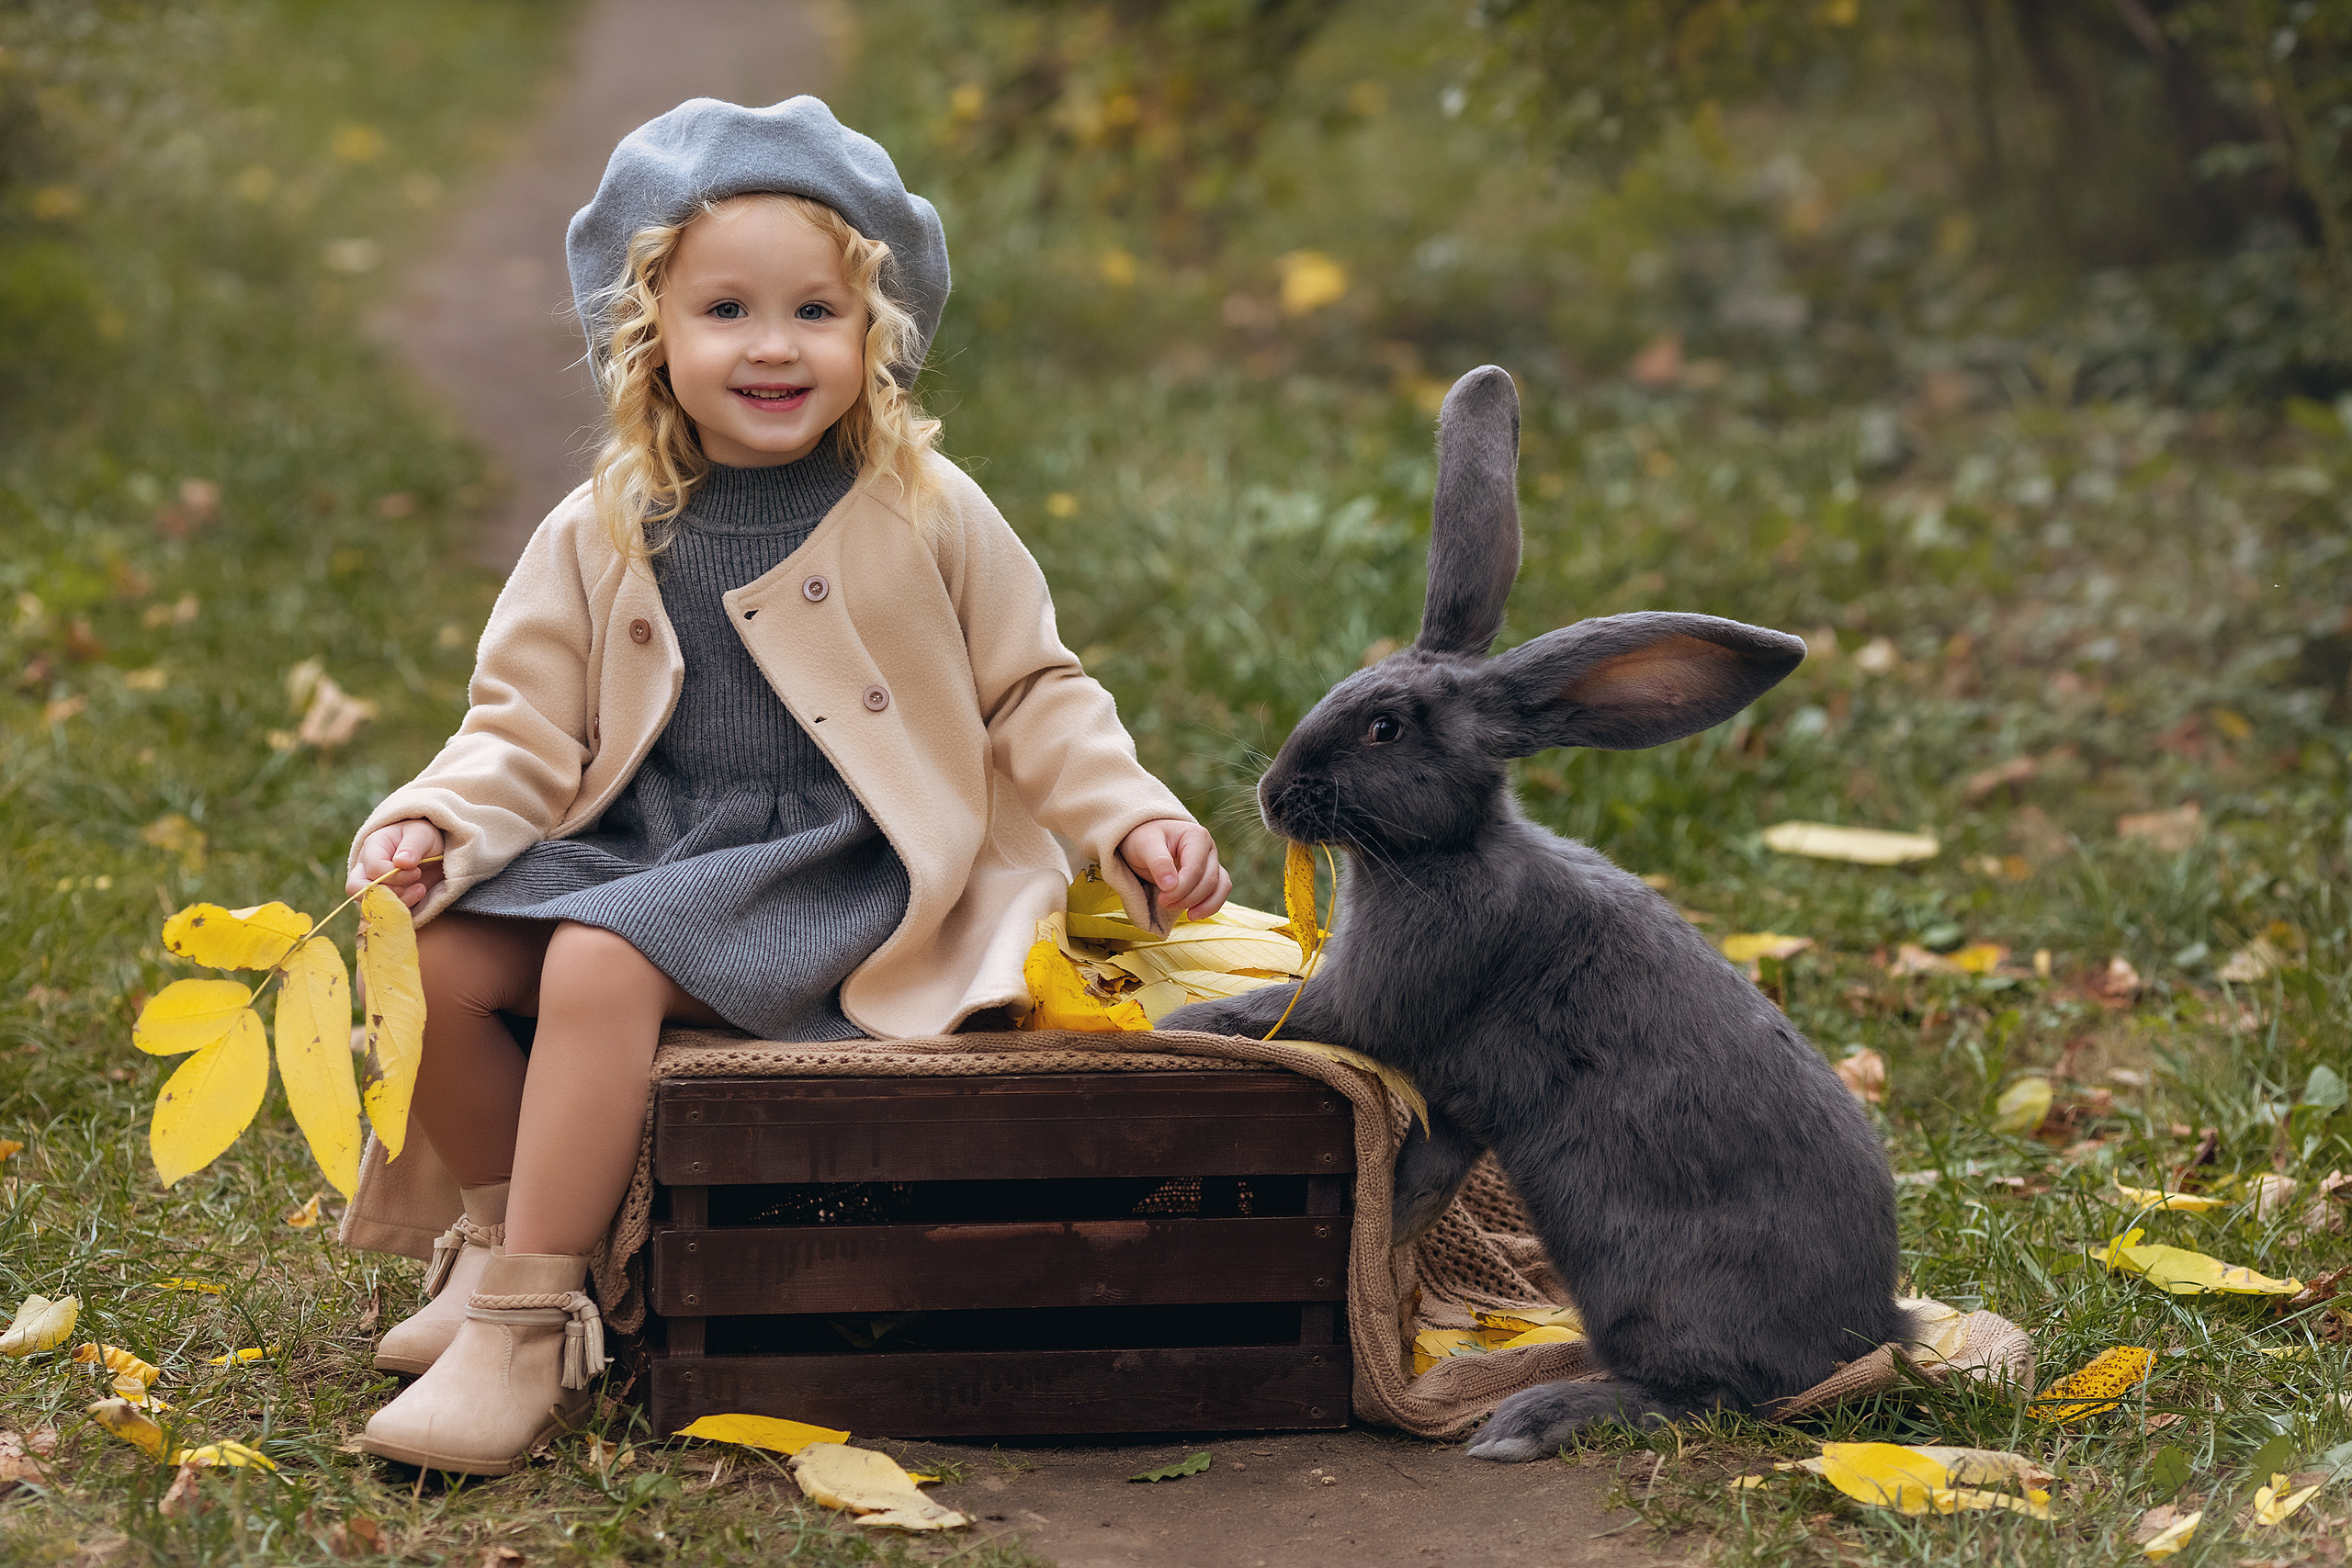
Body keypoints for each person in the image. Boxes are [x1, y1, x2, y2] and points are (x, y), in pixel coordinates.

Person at [342, 96, 1228, 1475]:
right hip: (657, 845)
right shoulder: (603, 526)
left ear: (875, 333)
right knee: (437, 958)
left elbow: (1033, 692)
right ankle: (497, 1233)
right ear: (653, 333)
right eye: (727, 310)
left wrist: (1133, 815)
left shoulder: (926, 508)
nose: (772, 345)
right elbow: (518, 726)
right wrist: (439, 818)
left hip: (853, 870)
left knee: (596, 963)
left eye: (816, 310)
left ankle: (533, 1328)